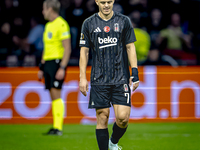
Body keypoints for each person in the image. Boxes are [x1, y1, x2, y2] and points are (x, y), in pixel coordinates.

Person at [79, 0, 139, 149]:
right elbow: (84, 52)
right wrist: (82, 77)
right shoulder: (88, 23)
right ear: (97, 2)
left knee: (123, 118)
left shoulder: (124, 21)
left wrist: (135, 72)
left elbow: (130, 47)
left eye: (109, 2)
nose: (106, 5)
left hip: (121, 78)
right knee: (102, 117)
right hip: (99, 79)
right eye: (103, 2)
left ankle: (113, 143)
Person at [37, 0, 71, 135]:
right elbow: (46, 49)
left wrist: (62, 67)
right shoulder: (48, 26)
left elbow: (67, 48)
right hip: (48, 63)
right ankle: (55, 126)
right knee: (52, 95)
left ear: (50, 9)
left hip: (57, 63)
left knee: (56, 94)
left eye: (44, 9)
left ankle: (58, 128)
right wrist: (41, 66)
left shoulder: (61, 24)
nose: (43, 12)